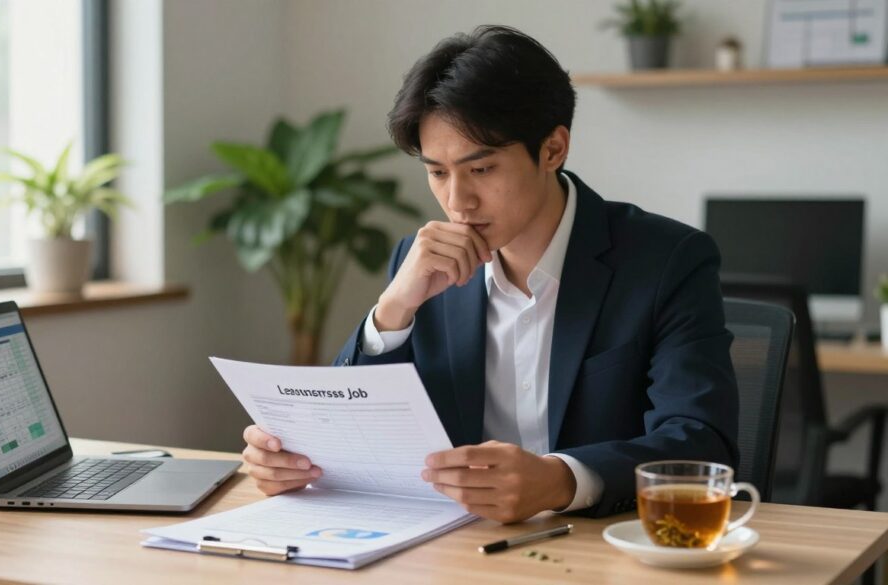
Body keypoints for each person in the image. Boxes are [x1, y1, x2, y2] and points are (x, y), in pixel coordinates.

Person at [241, 25, 738, 522]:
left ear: (552, 149)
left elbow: (701, 444)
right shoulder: (417, 264)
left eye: (481, 170)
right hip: (453, 548)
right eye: (437, 172)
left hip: (602, 545)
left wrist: (562, 480)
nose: (458, 202)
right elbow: (356, 436)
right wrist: (390, 314)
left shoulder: (667, 259)